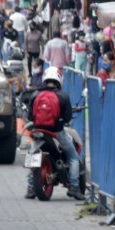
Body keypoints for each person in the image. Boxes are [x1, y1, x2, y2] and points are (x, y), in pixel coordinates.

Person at [23, 67, 83, 200]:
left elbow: (30, 116)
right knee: (73, 157)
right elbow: (67, 118)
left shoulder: (35, 94)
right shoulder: (63, 95)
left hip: (37, 131)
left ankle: (30, 188)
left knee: (32, 155)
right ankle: (74, 187)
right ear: (59, 80)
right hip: (56, 132)